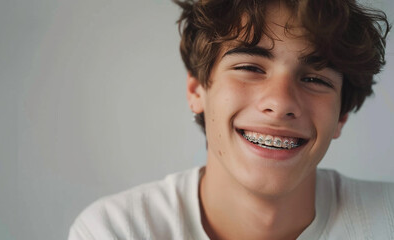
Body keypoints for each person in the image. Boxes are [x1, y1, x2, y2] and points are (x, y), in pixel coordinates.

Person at [69, 0, 394, 239]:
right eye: (250, 68)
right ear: (197, 90)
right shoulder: (117, 230)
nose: (280, 103)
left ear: (341, 117)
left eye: (315, 80)